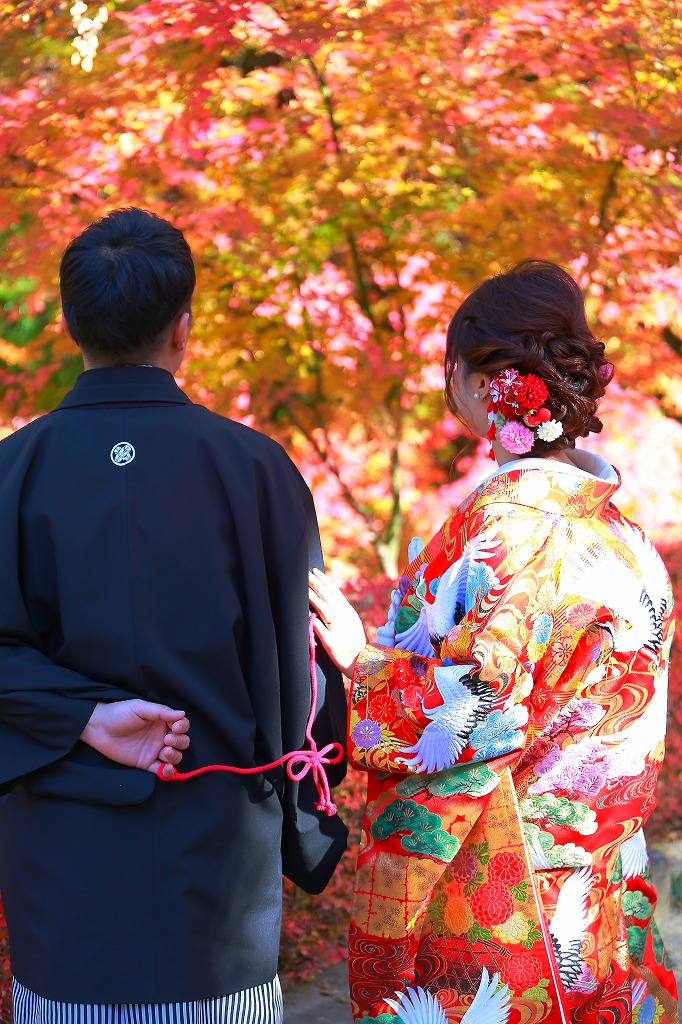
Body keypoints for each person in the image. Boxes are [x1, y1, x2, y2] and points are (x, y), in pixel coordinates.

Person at [0, 207, 348, 1023]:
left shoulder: (14, 472)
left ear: (68, 324)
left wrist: (82, 714)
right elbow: (303, 684)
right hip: (217, 878)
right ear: (183, 329)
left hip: (67, 884)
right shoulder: (258, 470)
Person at [309, 259, 679, 1024]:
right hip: (608, 882)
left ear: (482, 384)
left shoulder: (510, 528)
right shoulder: (619, 531)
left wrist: (361, 665)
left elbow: (480, 706)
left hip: (513, 896)